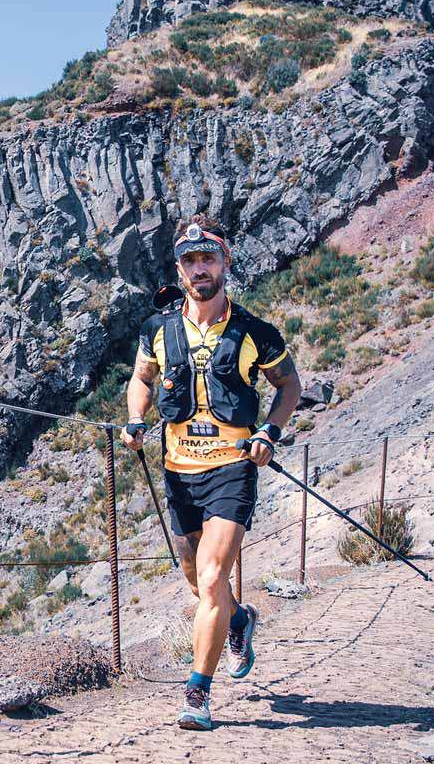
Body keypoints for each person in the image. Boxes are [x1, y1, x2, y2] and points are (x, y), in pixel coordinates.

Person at [122, 216, 302, 731]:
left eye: (208, 258)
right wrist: (136, 419)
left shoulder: (255, 332)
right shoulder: (156, 329)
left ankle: (197, 694)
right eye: (189, 260)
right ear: (179, 269)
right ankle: (239, 619)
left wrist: (269, 432)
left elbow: (288, 388)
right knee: (197, 582)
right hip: (179, 472)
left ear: (224, 261)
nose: (200, 269)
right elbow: (142, 379)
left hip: (233, 469)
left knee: (213, 574)